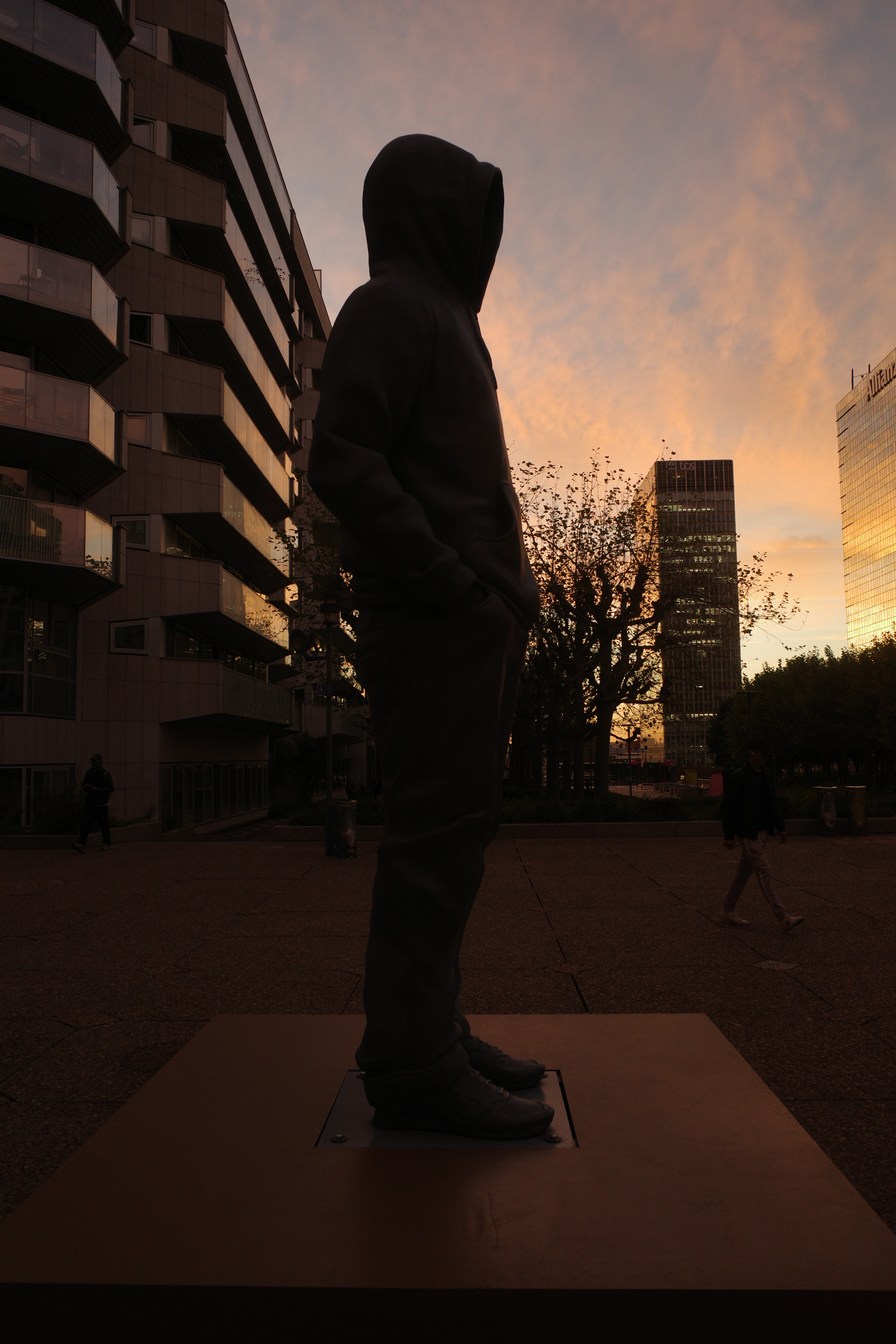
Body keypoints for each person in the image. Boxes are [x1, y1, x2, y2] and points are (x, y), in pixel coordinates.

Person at [308, 134, 553, 1140]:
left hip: (470, 619)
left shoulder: (444, 316)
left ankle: (432, 1032)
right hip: (435, 617)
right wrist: (450, 581)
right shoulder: (392, 306)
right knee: (430, 842)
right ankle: (411, 1066)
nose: (480, 226)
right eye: (465, 204)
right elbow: (342, 457)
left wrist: (498, 599)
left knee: (457, 839)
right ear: (425, 209)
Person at [720, 739, 804, 931]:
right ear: (753, 753)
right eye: (763, 753)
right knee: (764, 873)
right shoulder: (740, 776)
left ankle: (728, 909)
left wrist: (780, 827)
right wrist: (729, 835)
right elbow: (729, 807)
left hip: (761, 831)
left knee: (744, 873)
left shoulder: (764, 775)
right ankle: (783, 917)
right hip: (748, 833)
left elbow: (772, 802)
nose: (765, 758)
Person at [73, 754, 114, 852]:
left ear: (100, 761)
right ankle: (81, 843)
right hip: (90, 803)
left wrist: (98, 789)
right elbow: (84, 785)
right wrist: (86, 787)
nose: (93, 762)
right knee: (86, 823)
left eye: (95, 760)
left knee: (104, 825)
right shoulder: (89, 773)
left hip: (101, 804)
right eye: (92, 760)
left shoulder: (105, 774)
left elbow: (111, 788)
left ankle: (106, 843)